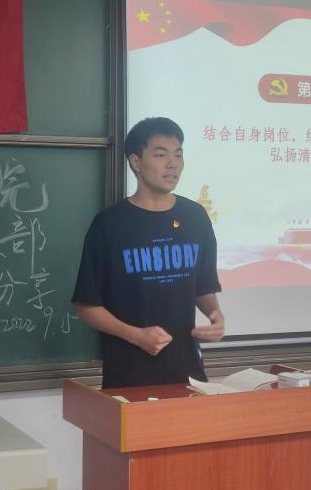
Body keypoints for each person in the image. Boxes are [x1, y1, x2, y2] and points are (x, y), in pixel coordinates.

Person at [72, 117, 225, 388]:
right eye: (161, 154)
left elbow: (202, 287)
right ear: (136, 161)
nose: (173, 164)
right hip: (129, 374)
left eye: (178, 154)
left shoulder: (195, 217)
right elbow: (86, 305)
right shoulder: (109, 224)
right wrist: (136, 335)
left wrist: (215, 314)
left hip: (187, 372)